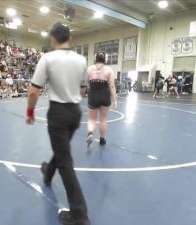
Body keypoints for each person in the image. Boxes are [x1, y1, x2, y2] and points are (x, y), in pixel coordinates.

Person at [26, 22, 90, 225]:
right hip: (75, 113)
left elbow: (34, 90)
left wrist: (30, 111)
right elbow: (82, 90)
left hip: (59, 113)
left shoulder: (48, 58)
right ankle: (48, 172)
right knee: (61, 151)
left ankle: (79, 216)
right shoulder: (81, 60)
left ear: (53, 38)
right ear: (69, 38)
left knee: (65, 161)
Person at [86, 52, 117, 147]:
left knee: (92, 119)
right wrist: (115, 100)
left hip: (93, 95)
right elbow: (112, 86)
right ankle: (102, 140)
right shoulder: (109, 70)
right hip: (105, 96)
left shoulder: (89, 69)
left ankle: (90, 133)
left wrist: (90, 92)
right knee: (103, 119)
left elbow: (88, 85)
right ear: (105, 59)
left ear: (95, 58)